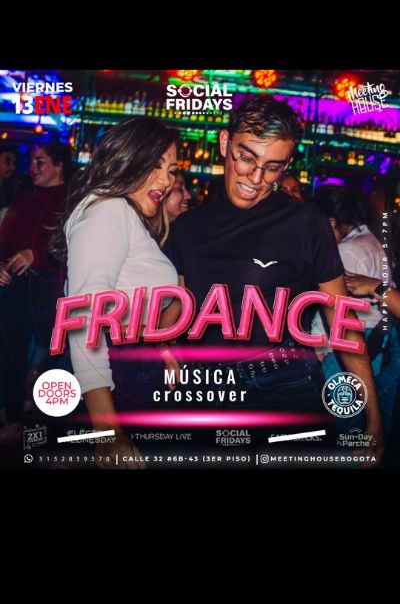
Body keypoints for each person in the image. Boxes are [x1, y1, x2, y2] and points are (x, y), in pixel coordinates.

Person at [166, 96, 384, 457]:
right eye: (246, 158)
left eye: (273, 168)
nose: (256, 178)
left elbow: (342, 322)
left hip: (281, 385)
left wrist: (373, 417)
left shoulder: (304, 222)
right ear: (225, 143)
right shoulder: (187, 227)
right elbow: (176, 312)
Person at [52, 116, 180, 469]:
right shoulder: (109, 211)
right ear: (127, 159)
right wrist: (107, 434)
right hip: (114, 383)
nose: (165, 180)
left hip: (127, 375)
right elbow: (83, 319)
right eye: (155, 166)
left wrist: (159, 345)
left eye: (171, 170)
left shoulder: (121, 213)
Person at [0, 141, 72, 443]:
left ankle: (44, 432)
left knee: (47, 362)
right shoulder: (22, 201)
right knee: (10, 355)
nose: (32, 167)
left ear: (59, 165)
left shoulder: (71, 202)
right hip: (16, 288)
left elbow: (74, 249)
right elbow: (3, 243)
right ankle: (13, 418)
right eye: (31, 161)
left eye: (40, 161)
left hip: (52, 291)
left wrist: (38, 255)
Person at [312, 185, 398, 437]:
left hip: (349, 349)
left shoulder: (346, 250)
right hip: (376, 343)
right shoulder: (369, 238)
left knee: (339, 426)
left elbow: (334, 312)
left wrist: (319, 351)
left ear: (330, 222)